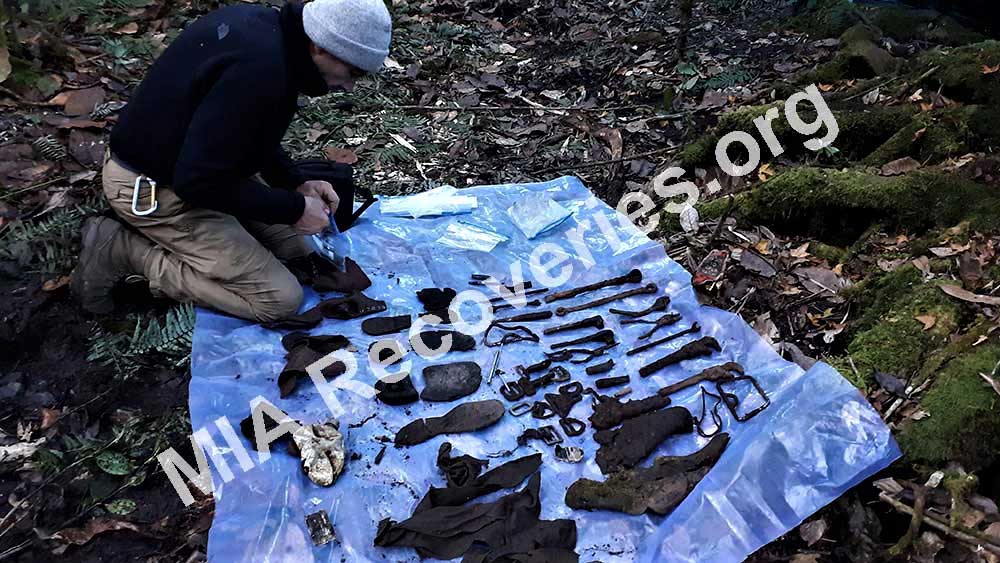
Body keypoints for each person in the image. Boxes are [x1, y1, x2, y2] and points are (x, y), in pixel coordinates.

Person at [71, 0, 392, 322]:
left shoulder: (267, 30)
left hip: (204, 168)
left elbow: (249, 133)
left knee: (301, 252)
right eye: (353, 72)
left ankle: (228, 243)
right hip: (154, 188)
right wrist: (293, 209)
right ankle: (123, 250)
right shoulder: (263, 72)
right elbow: (196, 183)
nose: (349, 86)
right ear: (321, 47)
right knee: (279, 300)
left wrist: (296, 183)